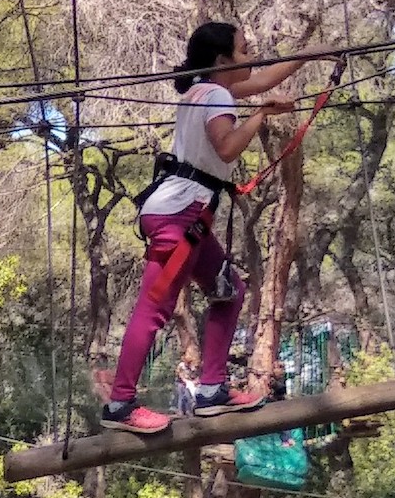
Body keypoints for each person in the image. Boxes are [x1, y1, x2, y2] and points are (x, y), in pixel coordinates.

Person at [104, 22, 315, 433]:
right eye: (244, 50)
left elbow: (264, 79)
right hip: (180, 215)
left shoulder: (204, 90)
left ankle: (212, 390)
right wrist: (261, 114)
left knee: (228, 291)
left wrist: (311, 54)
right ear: (222, 60)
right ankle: (120, 404)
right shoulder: (217, 95)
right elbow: (227, 147)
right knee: (154, 307)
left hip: (184, 213)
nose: (252, 56)